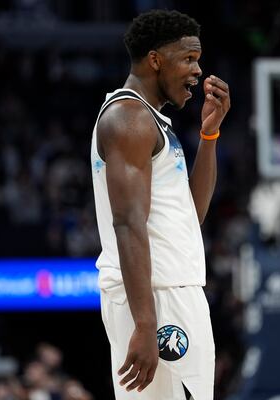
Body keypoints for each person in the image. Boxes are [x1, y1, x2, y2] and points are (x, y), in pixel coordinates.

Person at [90, 9, 230, 400]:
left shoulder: (150, 121)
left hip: (169, 291)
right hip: (157, 297)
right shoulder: (129, 118)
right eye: (188, 58)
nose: (198, 71)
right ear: (155, 60)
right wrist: (146, 323)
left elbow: (192, 215)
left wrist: (210, 134)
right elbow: (127, 223)